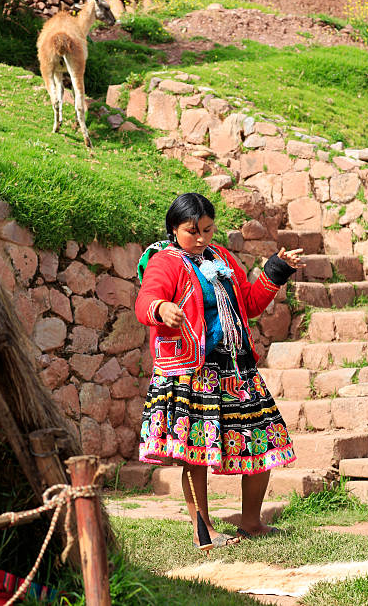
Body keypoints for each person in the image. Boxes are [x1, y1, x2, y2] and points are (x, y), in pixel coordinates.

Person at [135, 192, 305, 549]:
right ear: (172, 230)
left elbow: (250, 302)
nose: (200, 238)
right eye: (191, 231)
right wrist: (162, 308)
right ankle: (204, 530)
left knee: (263, 439)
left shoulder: (221, 257)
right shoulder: (165, 262)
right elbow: (145, 300)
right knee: (196, 450)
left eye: (208, 230)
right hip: (192, 369)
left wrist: (275, 268)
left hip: (235, 366)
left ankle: (251, 524)